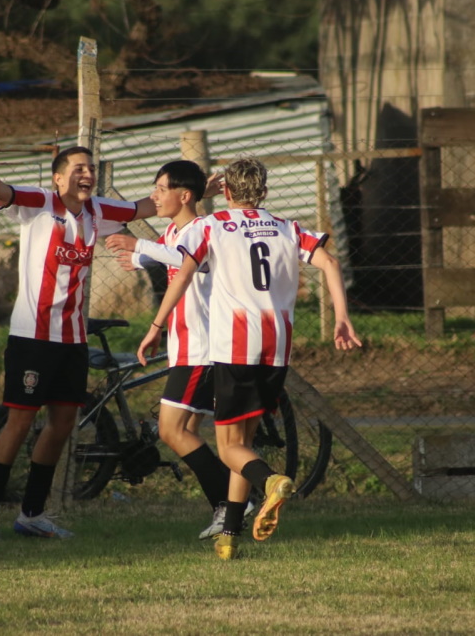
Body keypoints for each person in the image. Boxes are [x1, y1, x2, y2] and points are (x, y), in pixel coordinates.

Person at [136, 158, 362, 560]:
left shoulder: (212, 225)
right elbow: (330, 261)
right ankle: (230, 536)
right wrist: (341, 318)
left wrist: (156, 325)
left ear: (225, 192)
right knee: (245, 440)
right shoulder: (286, 227)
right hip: (277, 348)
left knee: (229, 449)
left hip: (235, 347)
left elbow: (185, 274)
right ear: (265, 191)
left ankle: (272, 481)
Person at [0, 130, 157, 540]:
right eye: (79, 168)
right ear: (59, 178)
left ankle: (31, 514)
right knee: (20, 421)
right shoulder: (39, 203)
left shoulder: (97, 210)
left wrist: (195, 188)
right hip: (33, 336)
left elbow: (141, 208)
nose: (88, 174)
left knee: (63, 423)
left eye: (92, 168)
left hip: (73, 339)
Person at [106, 160, 245, 540]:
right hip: (185, 346)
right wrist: (138, 257)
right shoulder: (174, 229)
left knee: (172, 430)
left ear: (183, 196)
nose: (154, 195)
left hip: (201, 348)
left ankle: (234, 505)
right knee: (185, 430)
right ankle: (226, 508)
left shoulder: (204, 228)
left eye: (161, 189)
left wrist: (139, 245)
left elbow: (190, 262)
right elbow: (170, 251)